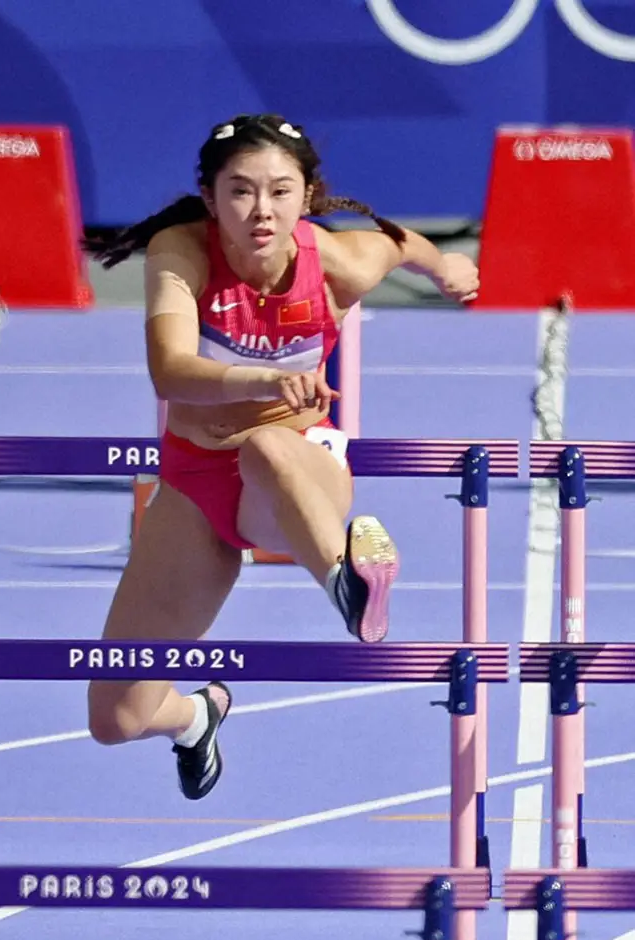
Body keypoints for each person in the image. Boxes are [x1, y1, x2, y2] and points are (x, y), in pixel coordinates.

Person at [83, 113, 479, 802]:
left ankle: (348, 583)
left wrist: (447, 265)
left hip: (296, 479)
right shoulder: (182, 253)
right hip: (196, 485)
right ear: (211, 199)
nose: (260, 210)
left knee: (269, 443)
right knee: (116, 717)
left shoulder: (337, 261)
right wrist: (265, 379)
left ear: (307, 196)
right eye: (240, 191)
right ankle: (197, 715)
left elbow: (403, 245)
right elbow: (171, 372)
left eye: (279, 191)